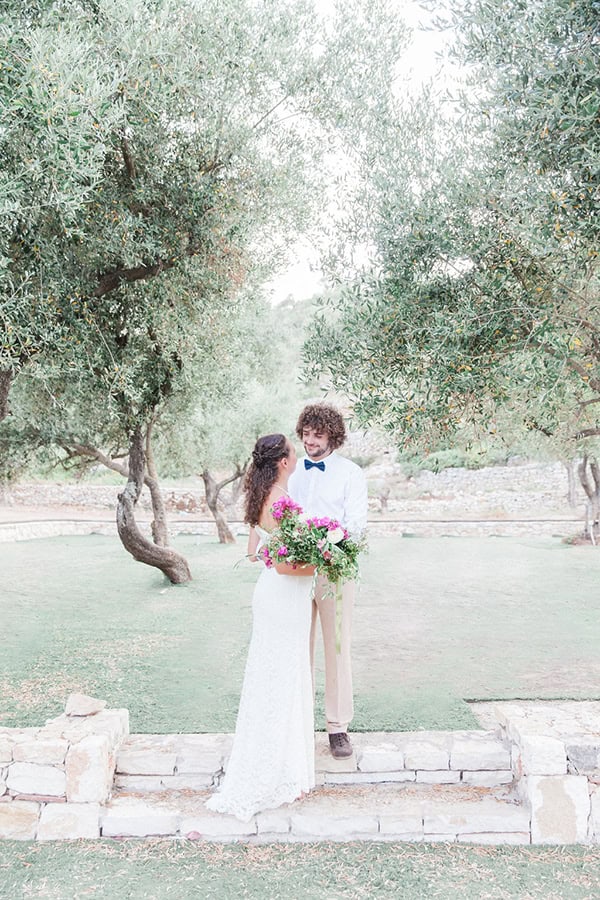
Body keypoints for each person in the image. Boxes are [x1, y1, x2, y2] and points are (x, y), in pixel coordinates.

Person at [205, 433, 316, 822]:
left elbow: (253, 553)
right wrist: (327, 560)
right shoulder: (282, 501)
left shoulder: (260, 495)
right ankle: (277, 776)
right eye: (293, 450)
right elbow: (287, 564)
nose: (297, 453)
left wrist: (283, 553)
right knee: (282, 680)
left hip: (273, 596)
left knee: (272, 680)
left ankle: (282, 771)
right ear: (284, 461)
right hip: (284, 598)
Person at [288, 404, 368, 759]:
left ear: (332, 436)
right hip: (295, 571)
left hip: (335, 569)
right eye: (306, 434)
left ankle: (337, 727)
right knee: (296, 647)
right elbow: (284, 515)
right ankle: (298, 724)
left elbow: (356, 523)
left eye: (317, 435)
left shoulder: (351, 473)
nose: (309, 441)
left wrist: (327, 543)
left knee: (336, 647)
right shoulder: (292, 473)